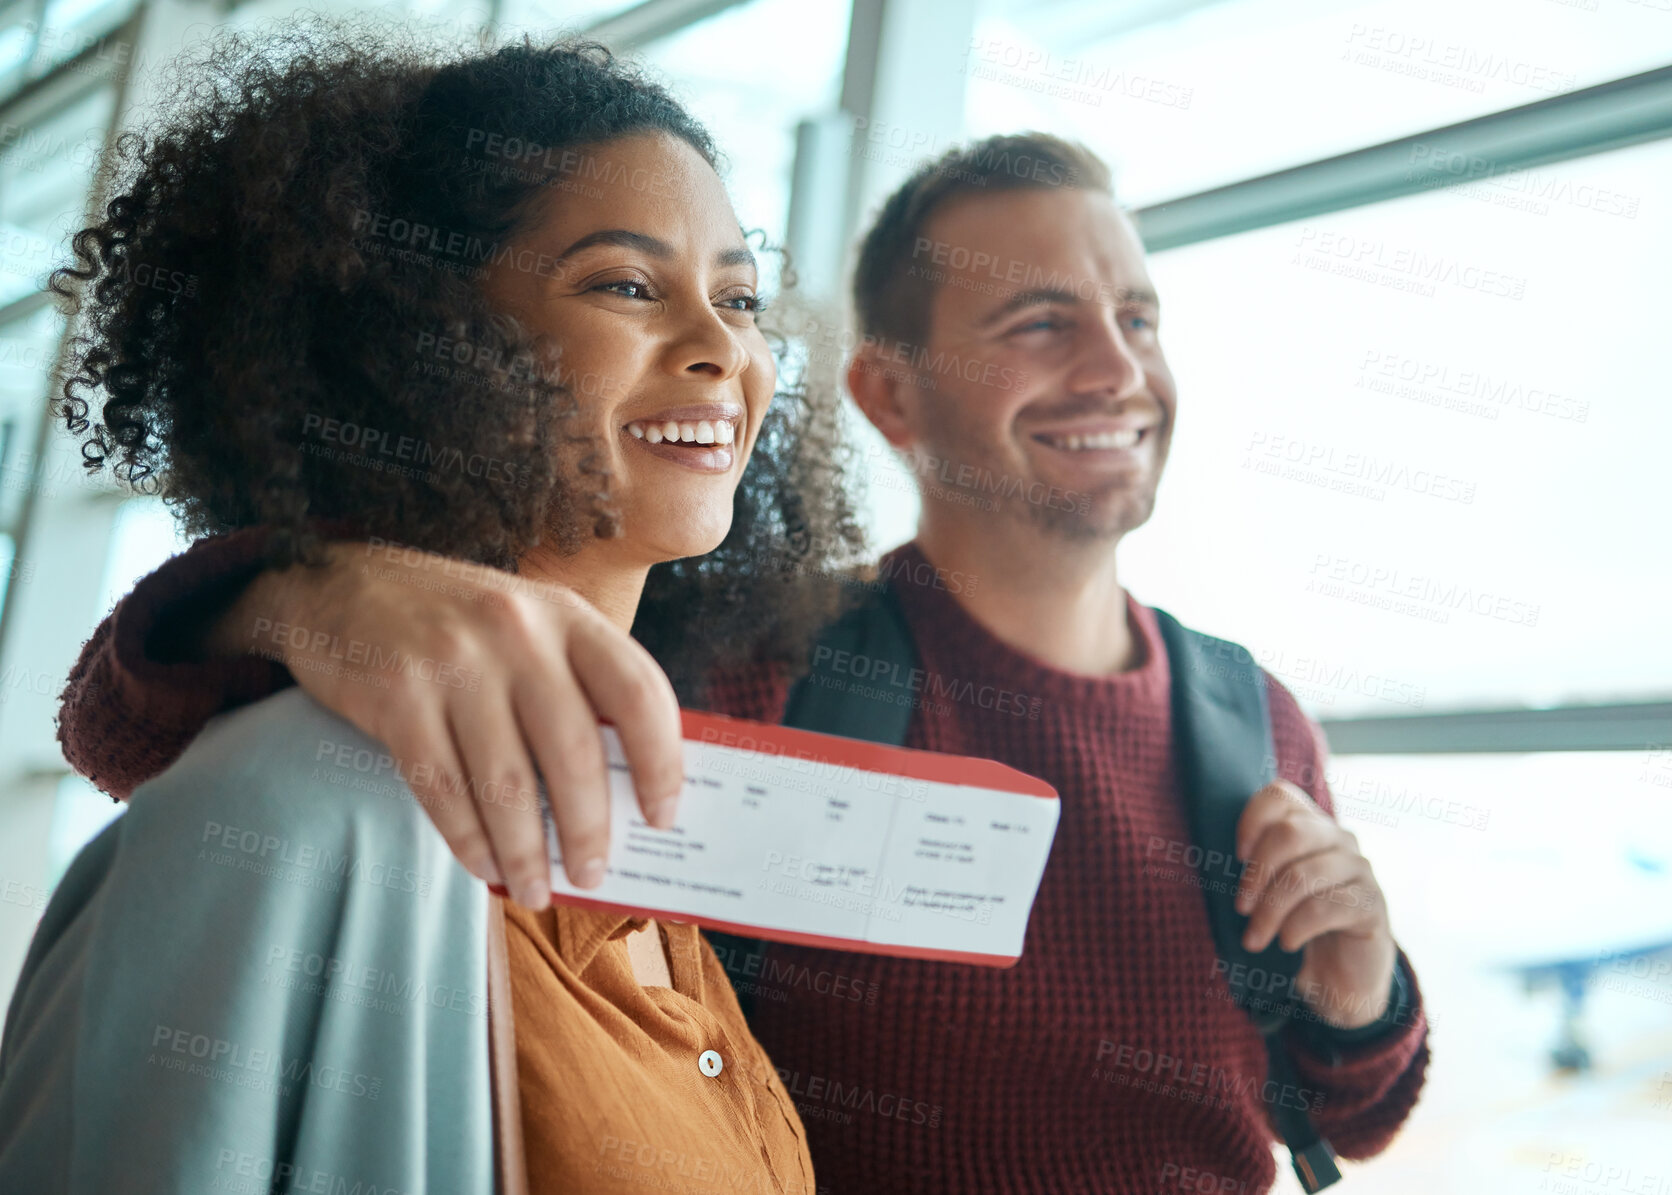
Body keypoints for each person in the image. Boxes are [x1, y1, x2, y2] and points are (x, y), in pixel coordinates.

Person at [46, 134, 1429, 1192]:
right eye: (1039, 322)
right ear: (888, 393)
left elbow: (1343, 1110)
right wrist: (305, 589)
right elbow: (183, 720)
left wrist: (1364, 993)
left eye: (1137, 315)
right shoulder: (750, 667)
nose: (1116, 367)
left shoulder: (1252, 721)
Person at [0, 21, 873, 1194]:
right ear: (415, 343)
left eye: (741, 296)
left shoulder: (643, 791)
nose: (723, 346)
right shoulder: (303, 803)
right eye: (624, 283)